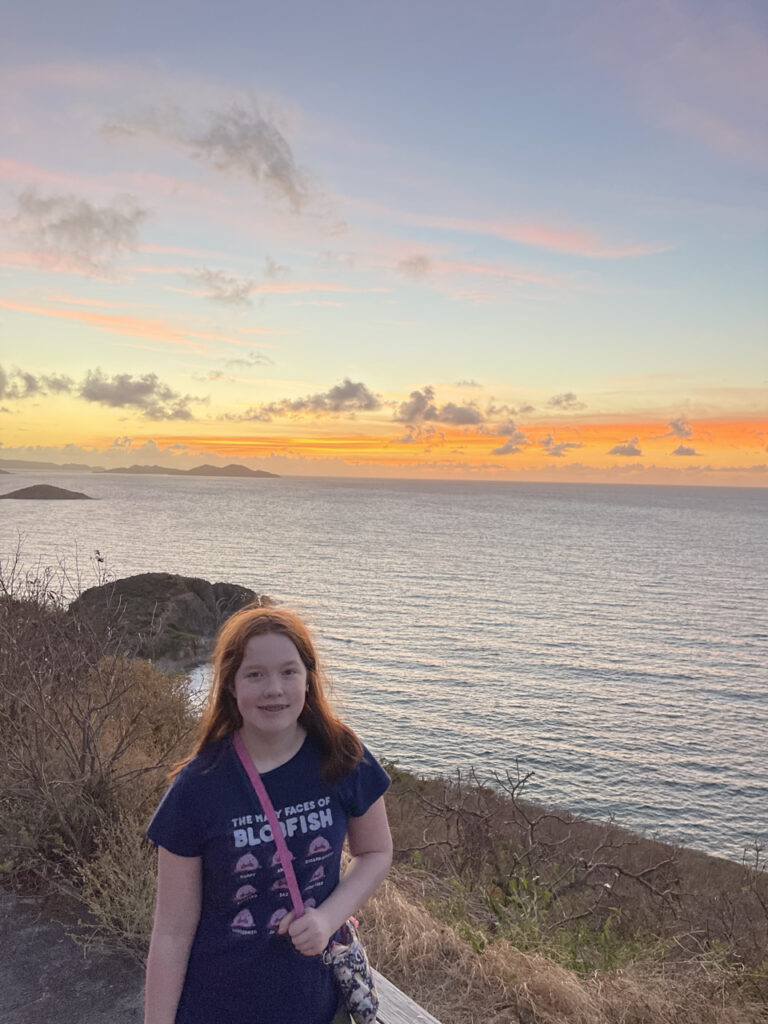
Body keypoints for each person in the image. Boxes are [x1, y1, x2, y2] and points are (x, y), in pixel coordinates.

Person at [144, 606, 393, 1024]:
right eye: (255, 674)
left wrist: (328, 918)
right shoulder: (198, 787)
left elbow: (377, 852)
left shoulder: (342, 756)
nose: (273, 689)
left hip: (313, 1003)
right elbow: (171, 931)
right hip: (215, 1005)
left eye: (288, 672)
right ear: (230, 686)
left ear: (308, 678)